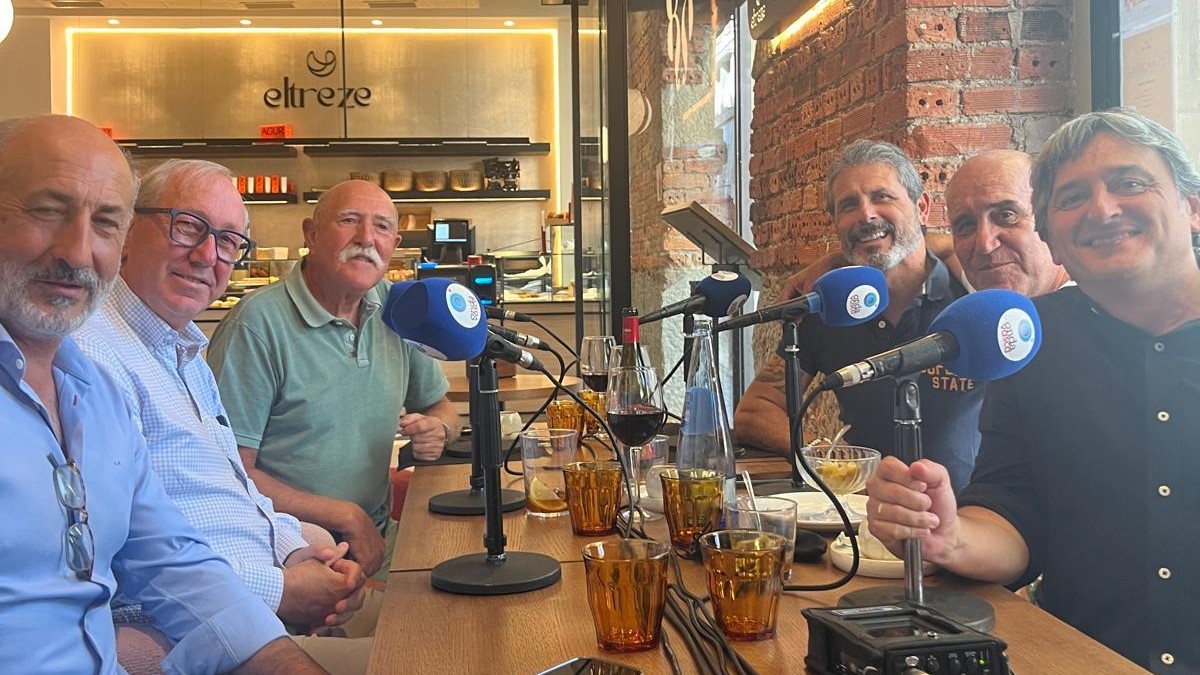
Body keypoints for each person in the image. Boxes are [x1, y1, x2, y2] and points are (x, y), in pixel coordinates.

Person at [866, 108, 1200, 673]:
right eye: (1072, 197)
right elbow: (1015, 512)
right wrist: (950, 536)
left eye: (1129, 183)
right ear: (1054, 239)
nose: (1102, 209)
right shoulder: (1030, 341)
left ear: (1191, 206)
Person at [0, 114, 326, 673]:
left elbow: (171, 561)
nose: (78, 251)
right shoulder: (104, 355)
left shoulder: (92, 390)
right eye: (48, 210)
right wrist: (281, 591)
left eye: (105, 222)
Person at [71, 159, 374, 673]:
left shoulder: (185, 351)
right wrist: (280, 589)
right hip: (199, 629)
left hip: (265, 595)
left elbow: (238, 491)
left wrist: (296, 552)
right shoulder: (91, 355)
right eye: (188, 226)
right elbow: (122, 557)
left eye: (229, 241)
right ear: (127, 230)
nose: (207, 255)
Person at [207, 180, 459, 578]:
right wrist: (344, 515)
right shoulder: (256, 326)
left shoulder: (396, 309)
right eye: (349, 220)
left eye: (381, 227)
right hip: (288, 553)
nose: (366, 238)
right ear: (311, 234)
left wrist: (438, 429)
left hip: (378, 535)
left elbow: (441, 406)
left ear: (394, 244)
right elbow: (229, 473)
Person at [733, 140, 985, 493]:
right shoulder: (831, 307)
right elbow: (755, 410)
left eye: (882, 197)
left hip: (969, 515)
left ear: (922, 208)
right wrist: (827, 455)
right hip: (862, 514)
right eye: (849, 205)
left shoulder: (973, 294)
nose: (866, 214)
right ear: (836, 223)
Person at [946, 149, 1070, 296]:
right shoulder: (980, 298)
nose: (984, 245)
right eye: (966, 225)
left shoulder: (1090, 303)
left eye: (1006, 216)